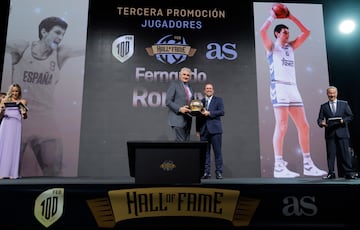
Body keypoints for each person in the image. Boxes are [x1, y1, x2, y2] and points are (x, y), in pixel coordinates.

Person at [4, 16, 85, 176]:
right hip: (18, 119)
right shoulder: (22, 48)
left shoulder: (60, 54)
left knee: (55, 173)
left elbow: (87, 47)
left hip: (45, 121)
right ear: (43, 32)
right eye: (57, 32)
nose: (60, 38)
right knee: (8, 173)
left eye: (63, 34)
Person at [260, 5, 326, 178]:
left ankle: (307, 163)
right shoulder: (271, 48)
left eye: (288, 32)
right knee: (282, 126)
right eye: (284, 32)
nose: (287, 35)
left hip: (292, 87)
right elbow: (261, 32)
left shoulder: (291, 47)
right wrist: (272, 17)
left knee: (304, 126)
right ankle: (278, 166)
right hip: (279, 87)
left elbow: (307, 31)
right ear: (277, 34)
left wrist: (291, 17)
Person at [317, 86, 356, 179]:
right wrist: (321, 123)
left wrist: (343, 121)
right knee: (330, 154)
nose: (332, 95)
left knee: (345, 154)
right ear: (327, 94)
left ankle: (348, 173)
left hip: (342, 133)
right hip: (330, 133)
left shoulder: (344, 104)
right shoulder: (324, 106)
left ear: (336, 93)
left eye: (333, 93)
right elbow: (320, 119)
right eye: (330, 93)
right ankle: (331, 173)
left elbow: (350, 116)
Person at [196, 83, 224, 179]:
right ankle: (206, 173)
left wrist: (210, 113)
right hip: (203, 130)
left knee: (217, 152)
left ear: (213, 90)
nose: (209, 90)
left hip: (215, 130)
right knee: (205, 153)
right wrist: (197, 130)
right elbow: (198, 117)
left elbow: (221, 111)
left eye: (210, 88)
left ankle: (219, 172)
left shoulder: (218, 100)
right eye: (207, 88)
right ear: (204, 90)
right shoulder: (200, 102)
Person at [0, 84, 28, 179]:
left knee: (14, 148)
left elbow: (25, 117)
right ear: (10, 91)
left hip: (16, 125)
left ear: (19, 92)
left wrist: (23, 112)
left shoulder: (23, 101)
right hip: (6, 125)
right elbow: (0, 116)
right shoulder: (4, 101)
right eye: (13, 91)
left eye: (16, 91)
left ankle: (12, 173)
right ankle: (2, 173)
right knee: (3, 147)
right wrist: (1, 110)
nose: (14, 93)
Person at [165, 67, 194, 141]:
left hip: (188, 119)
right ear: (180, 75)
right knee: (181, 144)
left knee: (186, 143)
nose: (186, 76)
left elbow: (191, 102)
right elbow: (168, 101)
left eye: (188, 75)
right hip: (177, 119)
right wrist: (180, 109)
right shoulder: (174, 84)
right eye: (184, 74)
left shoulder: (190, 87)